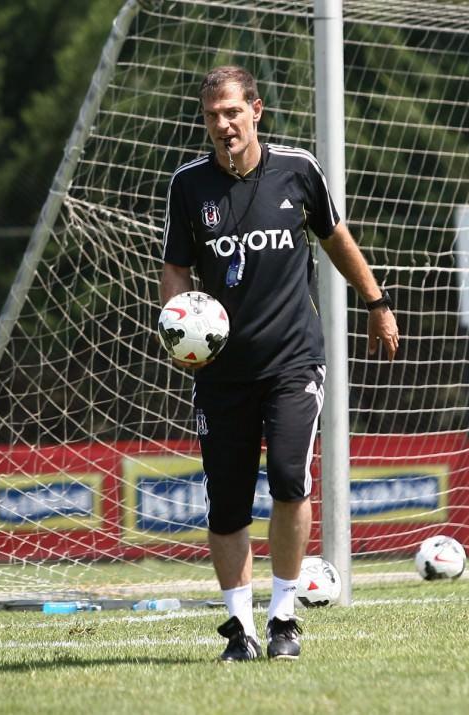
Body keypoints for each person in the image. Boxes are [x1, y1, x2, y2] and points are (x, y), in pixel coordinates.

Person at [161, 66, 399, 662]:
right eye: (212, 115)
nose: (223, 124)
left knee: (291, 479)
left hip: (294, 361)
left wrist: (376, 303)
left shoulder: (299, 170)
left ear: (256, 111)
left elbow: (336, 237)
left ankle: (283, 617)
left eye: (232, 112)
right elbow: (176, 268)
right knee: (227, 503)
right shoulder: (188, 185)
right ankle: (239, 628)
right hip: (220, 371)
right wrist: (178, 328)